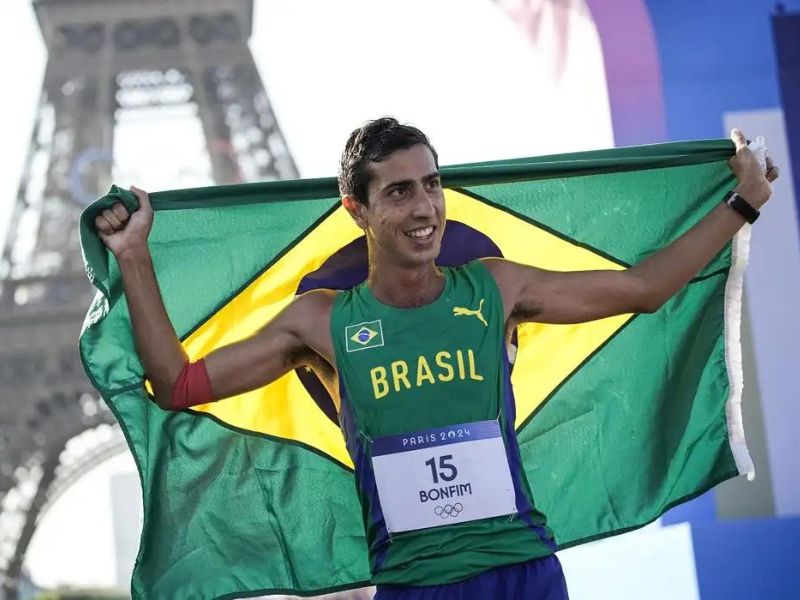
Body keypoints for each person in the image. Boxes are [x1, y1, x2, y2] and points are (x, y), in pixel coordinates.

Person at [94, 118, 778, 599]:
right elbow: (178, 384)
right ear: (355, 208)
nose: (425, 207)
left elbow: (647, 289)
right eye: (399, 192)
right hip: (416, 586)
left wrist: (743, 202)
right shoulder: (323, 323)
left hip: (523, 572)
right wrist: (133, 259)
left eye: (432, 184)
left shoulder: (496, 287)